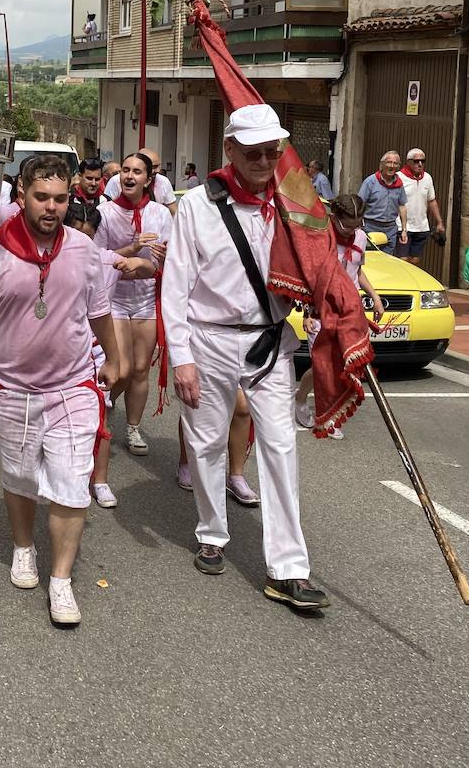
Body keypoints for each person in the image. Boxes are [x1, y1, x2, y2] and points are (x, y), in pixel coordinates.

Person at [163, 104, 330, 612]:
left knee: (280, 448)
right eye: (252, 151)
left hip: (270, 342)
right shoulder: (196, 205)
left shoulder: (295, 201)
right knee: (206, 440)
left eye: (270, 151)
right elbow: (175, 286)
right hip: (208, 338)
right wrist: (181, 358)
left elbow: (320, 263)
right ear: (230, 150)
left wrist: (335, 306)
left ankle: (289, 569)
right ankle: (212, 530)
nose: (262, 160)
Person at [0, 155, 121, 628]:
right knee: (21, 477)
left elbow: (100, 309)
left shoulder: (83, 249)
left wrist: (114, 356)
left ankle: (62, 580)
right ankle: (24, 547)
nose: (52, 207)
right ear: (22, 196)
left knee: (73, 483)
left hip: (72, 384)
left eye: (61, 198)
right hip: (10, 386)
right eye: (42, 197)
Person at [64, 201, 149, 508]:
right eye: (74, 233)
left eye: (88, 236)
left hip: (95, 352)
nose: (81, 242)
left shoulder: (105, 259)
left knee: (99, 417)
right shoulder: (46, 260)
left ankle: (99, 480)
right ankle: (63, 476)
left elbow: (150, 269)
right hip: (59, 354)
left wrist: (139, 263)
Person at [95, 152, 171, 458]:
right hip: (114, 296)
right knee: (123, 368)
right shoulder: (105, 211)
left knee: (141, 368)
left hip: (146, 298)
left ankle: (133, 426)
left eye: (137, 172)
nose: (129, 176)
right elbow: (96, 257)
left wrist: (163, 260)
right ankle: (98, 407)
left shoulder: (161, 214)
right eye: (125, 170)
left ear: (148, 180)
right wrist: (132, 249)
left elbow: (170, 258)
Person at [293, 194, 383, 435]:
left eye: (358, 224)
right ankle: (303, 399)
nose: (353, 230)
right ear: (334, 217)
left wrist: (374, 298)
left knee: (342, 364)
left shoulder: (361, 238)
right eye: (347, 225)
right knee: (322, 365)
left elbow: (358, 271)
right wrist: (306, 314)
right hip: (321, 310)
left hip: (350, 311)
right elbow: (307, 279)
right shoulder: (320, 239)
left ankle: (329, 413)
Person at [397, 148, 445, 264]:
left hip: (421, 226)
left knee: (414, 260)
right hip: (403, 226)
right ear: (408, 162)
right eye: (416, 161)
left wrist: (439, 222)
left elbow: (431, 200)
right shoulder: (399, 177)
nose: (420, 164)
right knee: (402, 260)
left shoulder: (427, 178)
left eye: (422, 161)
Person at [357, 151, 409, 251]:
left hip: (390, 229)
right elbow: (360, 204)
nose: (392, 166)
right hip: (370, 226)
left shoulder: (399, 184)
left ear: (398, 166)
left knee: (387, 261)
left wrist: (404, 230)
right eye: (389, 162)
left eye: (395, 163)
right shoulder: (370, 182)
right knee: (370, 259)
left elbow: (402, 206)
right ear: (382, 164)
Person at [104, 146, 177, 213]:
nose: (158, 170)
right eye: (154, 167)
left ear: (147, 181)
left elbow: (173, 211)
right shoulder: (115, 181)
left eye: (158, 166)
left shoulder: (163, 181)